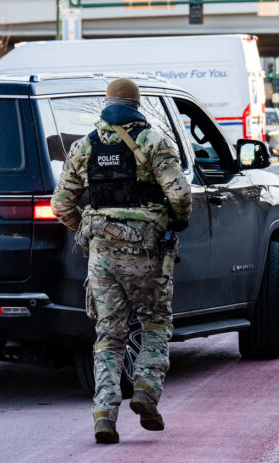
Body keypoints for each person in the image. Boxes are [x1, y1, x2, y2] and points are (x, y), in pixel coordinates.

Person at [51, 78, 191, 444]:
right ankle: (145, 388)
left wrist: (90, 228)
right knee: (156, 322)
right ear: (136, 105)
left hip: (102, 257)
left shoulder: (84, 147)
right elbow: (180, 193)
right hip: (146, 252)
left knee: (108, 335)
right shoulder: (152, 141)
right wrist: (177, 220)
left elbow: (60, 205)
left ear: (107, 104)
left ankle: (104, 414)